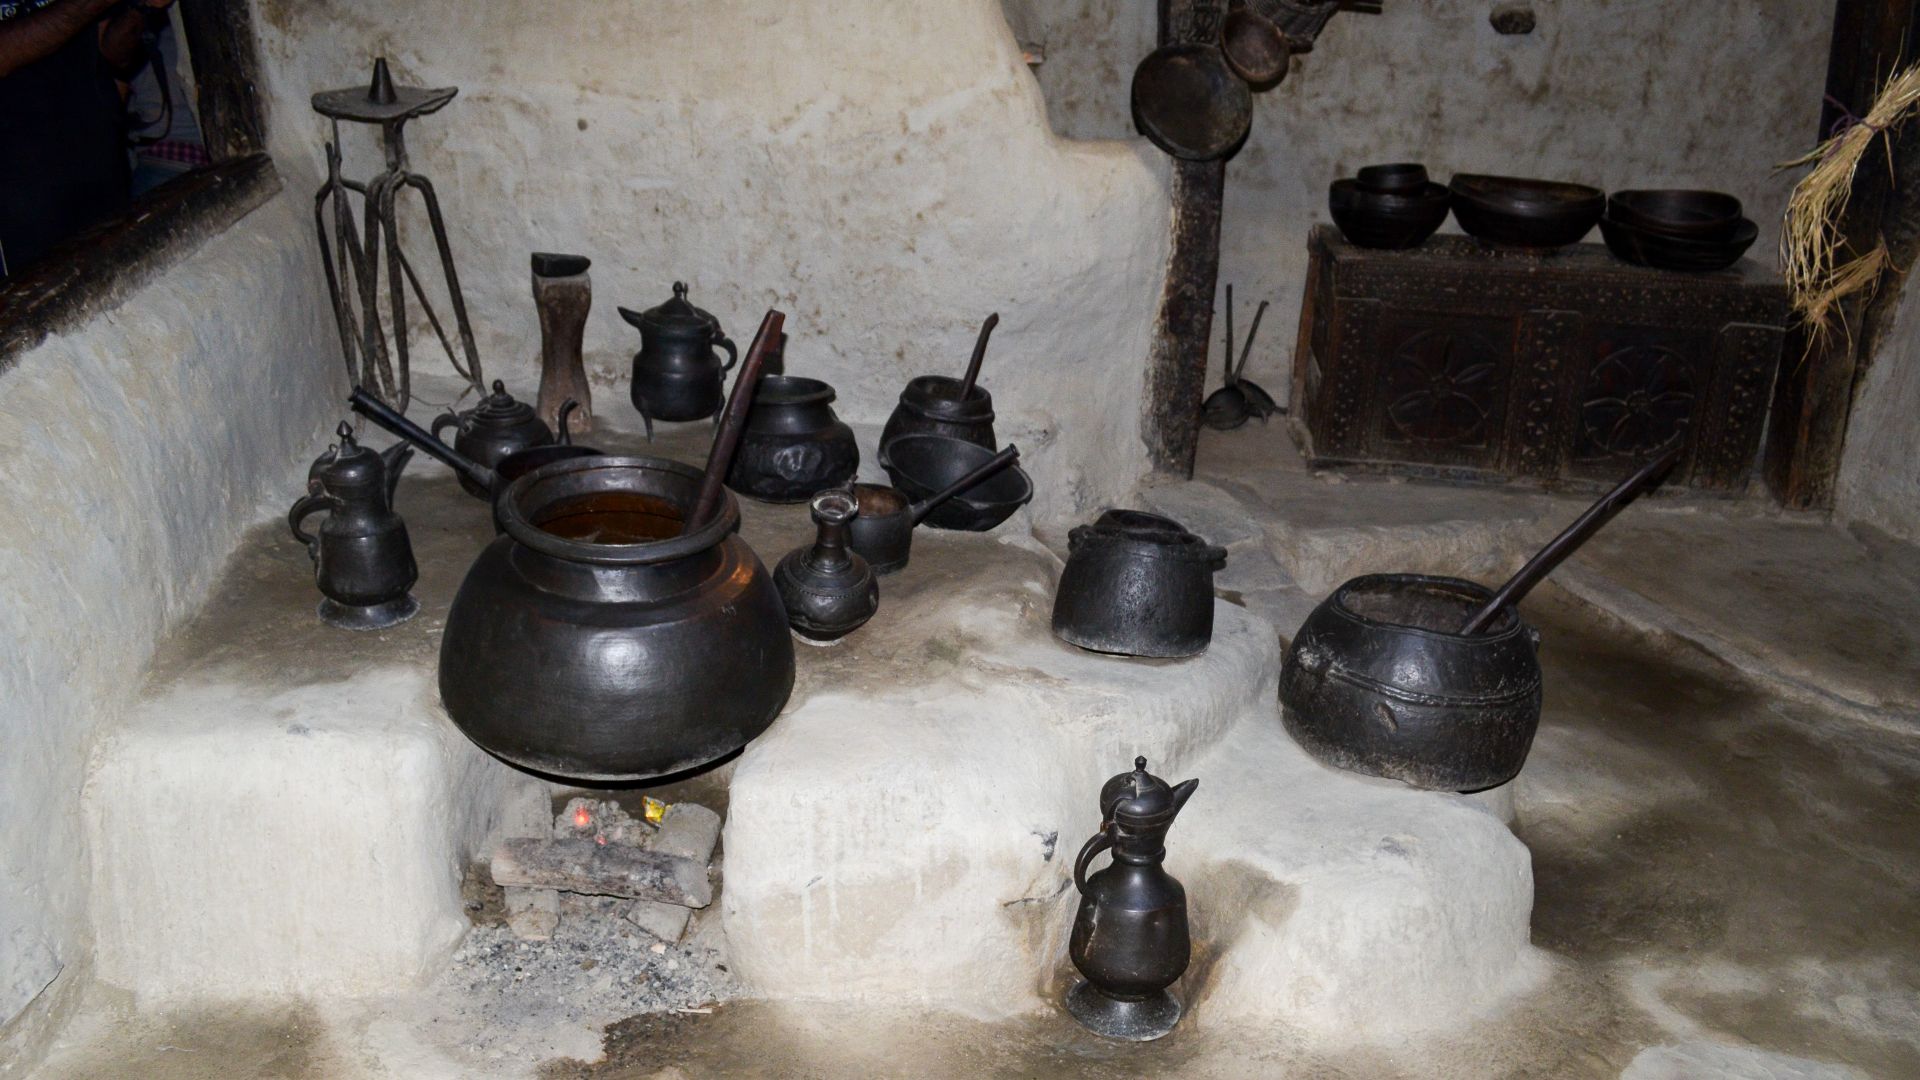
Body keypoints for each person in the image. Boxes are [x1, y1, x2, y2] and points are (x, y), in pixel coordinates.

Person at [0, 0, 175, 278]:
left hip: (99, 163)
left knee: (124, 284)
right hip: (20, 195)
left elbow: (113, 58)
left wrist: (140, 9)